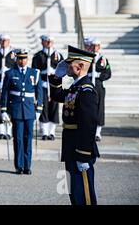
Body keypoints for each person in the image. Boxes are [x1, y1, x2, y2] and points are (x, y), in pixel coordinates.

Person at [49, 45, 99, 205]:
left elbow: (88, 124)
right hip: (71, 146)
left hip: (80, 149)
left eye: (70, 63)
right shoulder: (76, 87)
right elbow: (57, 95)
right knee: (74, 193)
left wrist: (84, 154)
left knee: (84, 195)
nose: (66, 66)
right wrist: (57, 77)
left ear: (80, 66)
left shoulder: (86, 90)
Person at [1, 49, 43, 175]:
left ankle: (27, 166)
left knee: (28, 138)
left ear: (27, 59)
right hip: (17, 110)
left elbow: (39, 91)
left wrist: (39, 108)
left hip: (30, 109)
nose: (22, 61)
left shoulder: (34, 73)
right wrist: (4, 110)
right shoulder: (10, 73)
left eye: (24, 58)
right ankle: (19, 166)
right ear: (17, 59)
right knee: (18, 138)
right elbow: (4, 93)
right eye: (20, 58)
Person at [32, 35, 64, 140]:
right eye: (47, 41)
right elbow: (34, 71)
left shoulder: (58, 55)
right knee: (43, 107)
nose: (49, 43)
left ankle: (52, 132)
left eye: (50, 41)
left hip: (54, 86)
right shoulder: (38, 56)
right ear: (42, 42)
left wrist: (55, 72)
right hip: (43, 85)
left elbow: (64, 69)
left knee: (54, 108)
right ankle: (44, 132)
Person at [88, 39, 111, 141]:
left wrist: (99, 76)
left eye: (97, 46)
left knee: (99, 109)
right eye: (93, 46)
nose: (94, 48)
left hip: (99, 85)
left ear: (99, 47)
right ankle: (89, 130)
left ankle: (97, 132)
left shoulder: (103, 59)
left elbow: (108, 73)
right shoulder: (87, 58)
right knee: (88, 108)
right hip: (89, 85)